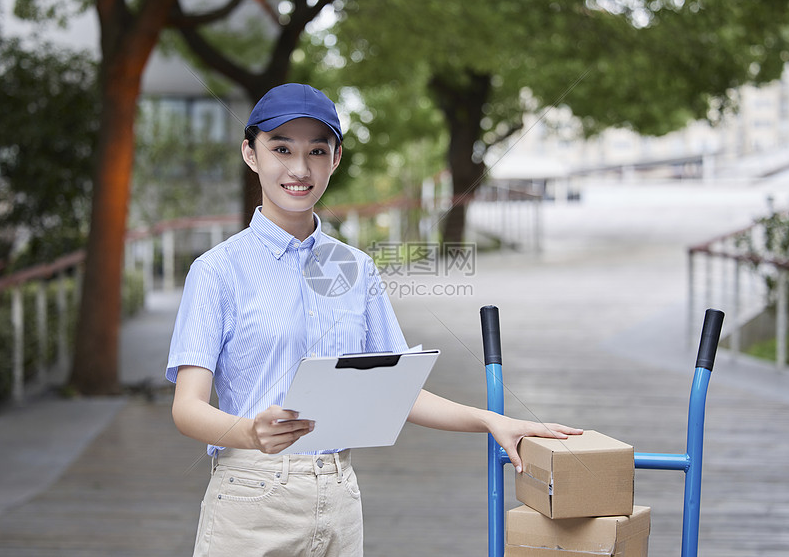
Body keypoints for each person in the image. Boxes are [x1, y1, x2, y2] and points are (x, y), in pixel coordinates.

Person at [166, 83, 581, 557]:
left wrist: (490, 420)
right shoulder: (217, 270)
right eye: (281, 148)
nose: (299, 169)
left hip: (340, 497)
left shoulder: (356, 269)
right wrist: (249, 433)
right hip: (251, 497)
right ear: (250, 153)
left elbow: (396, 390)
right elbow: (188, 408)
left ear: (335, 159)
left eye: (316, 151)